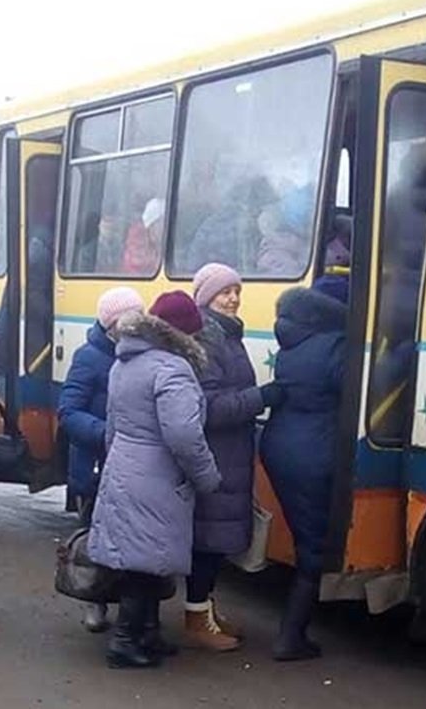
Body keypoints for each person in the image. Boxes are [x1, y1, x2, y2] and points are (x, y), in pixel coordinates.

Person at [88, 291, 222, 669]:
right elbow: (184, 435)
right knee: (144, 565)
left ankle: (146, 633)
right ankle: (126, 641)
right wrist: (207, 476)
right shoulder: (172, 370)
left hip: (126, 469)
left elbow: (113, 425)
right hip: (157, 477)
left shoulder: (126, 362)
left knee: (143, 561)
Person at [185, 263, 283, 651]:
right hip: (216, 454)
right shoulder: (207, 338)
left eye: (236, 291)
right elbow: (209, 407)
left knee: (215, 540)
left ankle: (204, 609)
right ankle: (195, 618)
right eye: (224, 292)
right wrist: (262, 398)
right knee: (206, 541)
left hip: (230, 453)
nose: (233, 298)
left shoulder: (226, 334)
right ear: (206, 297)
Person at [259, 280, 348, 661]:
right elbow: (354, 387)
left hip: (281, 448)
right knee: (313, 549)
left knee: (305, 537)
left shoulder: (291, 345)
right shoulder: (335, 346)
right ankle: (290, 638)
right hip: (313, 453)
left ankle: (294, 633)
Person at [57, 286, 146, 634]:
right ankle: (95, 600)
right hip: (98, 466)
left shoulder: (142, 354)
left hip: (134, 466)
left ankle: (128, 603)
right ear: (111, 323)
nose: (138, 321)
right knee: (97, 537)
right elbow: (69, 411)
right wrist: (107, 434)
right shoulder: (89, 357)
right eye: (131, 316)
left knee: (133, 538)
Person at [122, 198, 164, 275]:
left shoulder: (161, 244)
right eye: (162, 222)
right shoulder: (137, 246)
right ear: (152, 226)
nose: (166, 226)